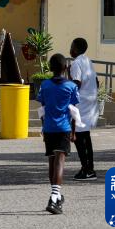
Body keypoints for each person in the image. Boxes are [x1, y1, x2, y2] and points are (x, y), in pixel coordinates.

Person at [36, 53, 79, 215]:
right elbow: (73, 111)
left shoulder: (45, 85)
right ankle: (54, 198)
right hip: (63, 128)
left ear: (49, 68)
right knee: (60, 162)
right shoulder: (71, 86)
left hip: (49, 128)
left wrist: (43, 128)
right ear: (66, 68)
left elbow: (42, 109)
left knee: (52, 162)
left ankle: (57, 196)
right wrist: (73, 132)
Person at [69, 38, 98, 180]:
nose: (70, 49)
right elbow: (96, 81)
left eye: (71, 46)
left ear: (75, 49)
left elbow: (76, 83)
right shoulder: (88, 61)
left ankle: (87, 169)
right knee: (85, 136)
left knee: (80, 138)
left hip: (81, 104)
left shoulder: (76, 63)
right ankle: (89, 168)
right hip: (90, 102)